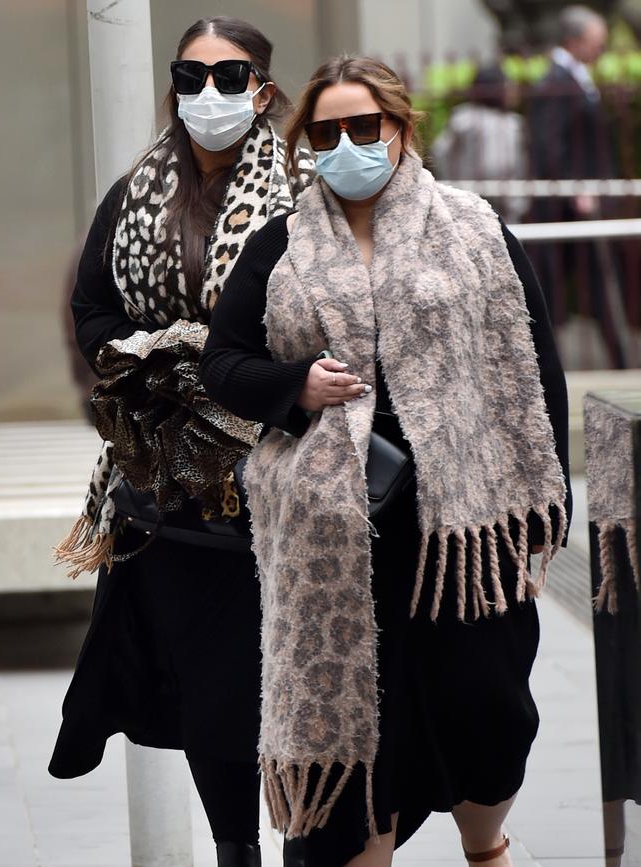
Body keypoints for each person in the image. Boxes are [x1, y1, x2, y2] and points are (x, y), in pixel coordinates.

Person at [200, 56, 573, 867]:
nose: (345, 145)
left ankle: (487, 844)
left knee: (490, 704)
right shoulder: (281, 244)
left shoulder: (474, 226)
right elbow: (221, 364)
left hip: (466, 529)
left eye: (363, 127)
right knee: (361, 721)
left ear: (400, 129)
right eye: (325, 133)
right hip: (338, 530)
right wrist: (294, 384)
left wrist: (548, 517)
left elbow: (535, 372)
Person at [49, 16, 313, 867]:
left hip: (282, 462)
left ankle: (311, 834)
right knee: (208, 680)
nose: (209, 94)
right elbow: (91, 310)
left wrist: (234, 374)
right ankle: (235, 846)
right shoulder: (134, 194)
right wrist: (150, 362)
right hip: (172, 477)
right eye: (191, 76)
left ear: (264, 90)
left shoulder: (306, 193)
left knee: (295, 673)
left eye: (231, 77)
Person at [527, 6, 626, 367]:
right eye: (595, 40)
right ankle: (615, 359)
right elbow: (549, 143)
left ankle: (618, 357)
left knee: (586, 284)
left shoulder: (573, 76)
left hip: (575, 203)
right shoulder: (555, 80)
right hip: (564, 206)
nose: (600, 48)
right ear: (576, 40)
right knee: (560, 286)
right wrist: (574, 188)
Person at [432, 65, 529, 224]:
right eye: (507, 85)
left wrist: (452, 182)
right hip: (485, 199)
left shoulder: (511, 123)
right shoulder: (466, 119)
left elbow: (440, 152)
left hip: (476, 199)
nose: (512, 91)